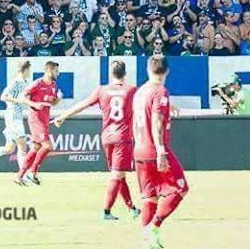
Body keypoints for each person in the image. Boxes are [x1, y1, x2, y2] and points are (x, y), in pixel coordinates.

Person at [53, 60, 140, 220]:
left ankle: (132, 208)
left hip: (107, 138)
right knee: (116, 174)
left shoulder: (102, 90)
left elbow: (83, 104)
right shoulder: (132, 90)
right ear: (125, 74)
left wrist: (63, 116)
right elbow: (148, 102)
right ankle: (106, 212)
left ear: (111, 74)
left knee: (119, 175)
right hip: (122, 138)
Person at [133, 56, 189, 249]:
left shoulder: (140, 92)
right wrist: (160, 151)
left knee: (150, 197)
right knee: (180, 189)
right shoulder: (160, 91)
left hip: (139, 150)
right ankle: (153, 227)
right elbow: (156, 123)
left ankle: (147, 242)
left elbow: (137, 121)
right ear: (167, 71)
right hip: (154, 149)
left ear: (148, 69)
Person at [15, 60, 61, 186]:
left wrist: (58, 99)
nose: (58, 73)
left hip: (45, 118)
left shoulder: (53, 85)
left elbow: (51, 102)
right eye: (56, 71)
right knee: (47, 146)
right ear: (49, 70)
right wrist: (34, 104)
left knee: (36, 148)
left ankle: (19, 176)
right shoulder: (37, 83)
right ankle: (32, 172)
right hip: (36, 118)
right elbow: (22, 97)